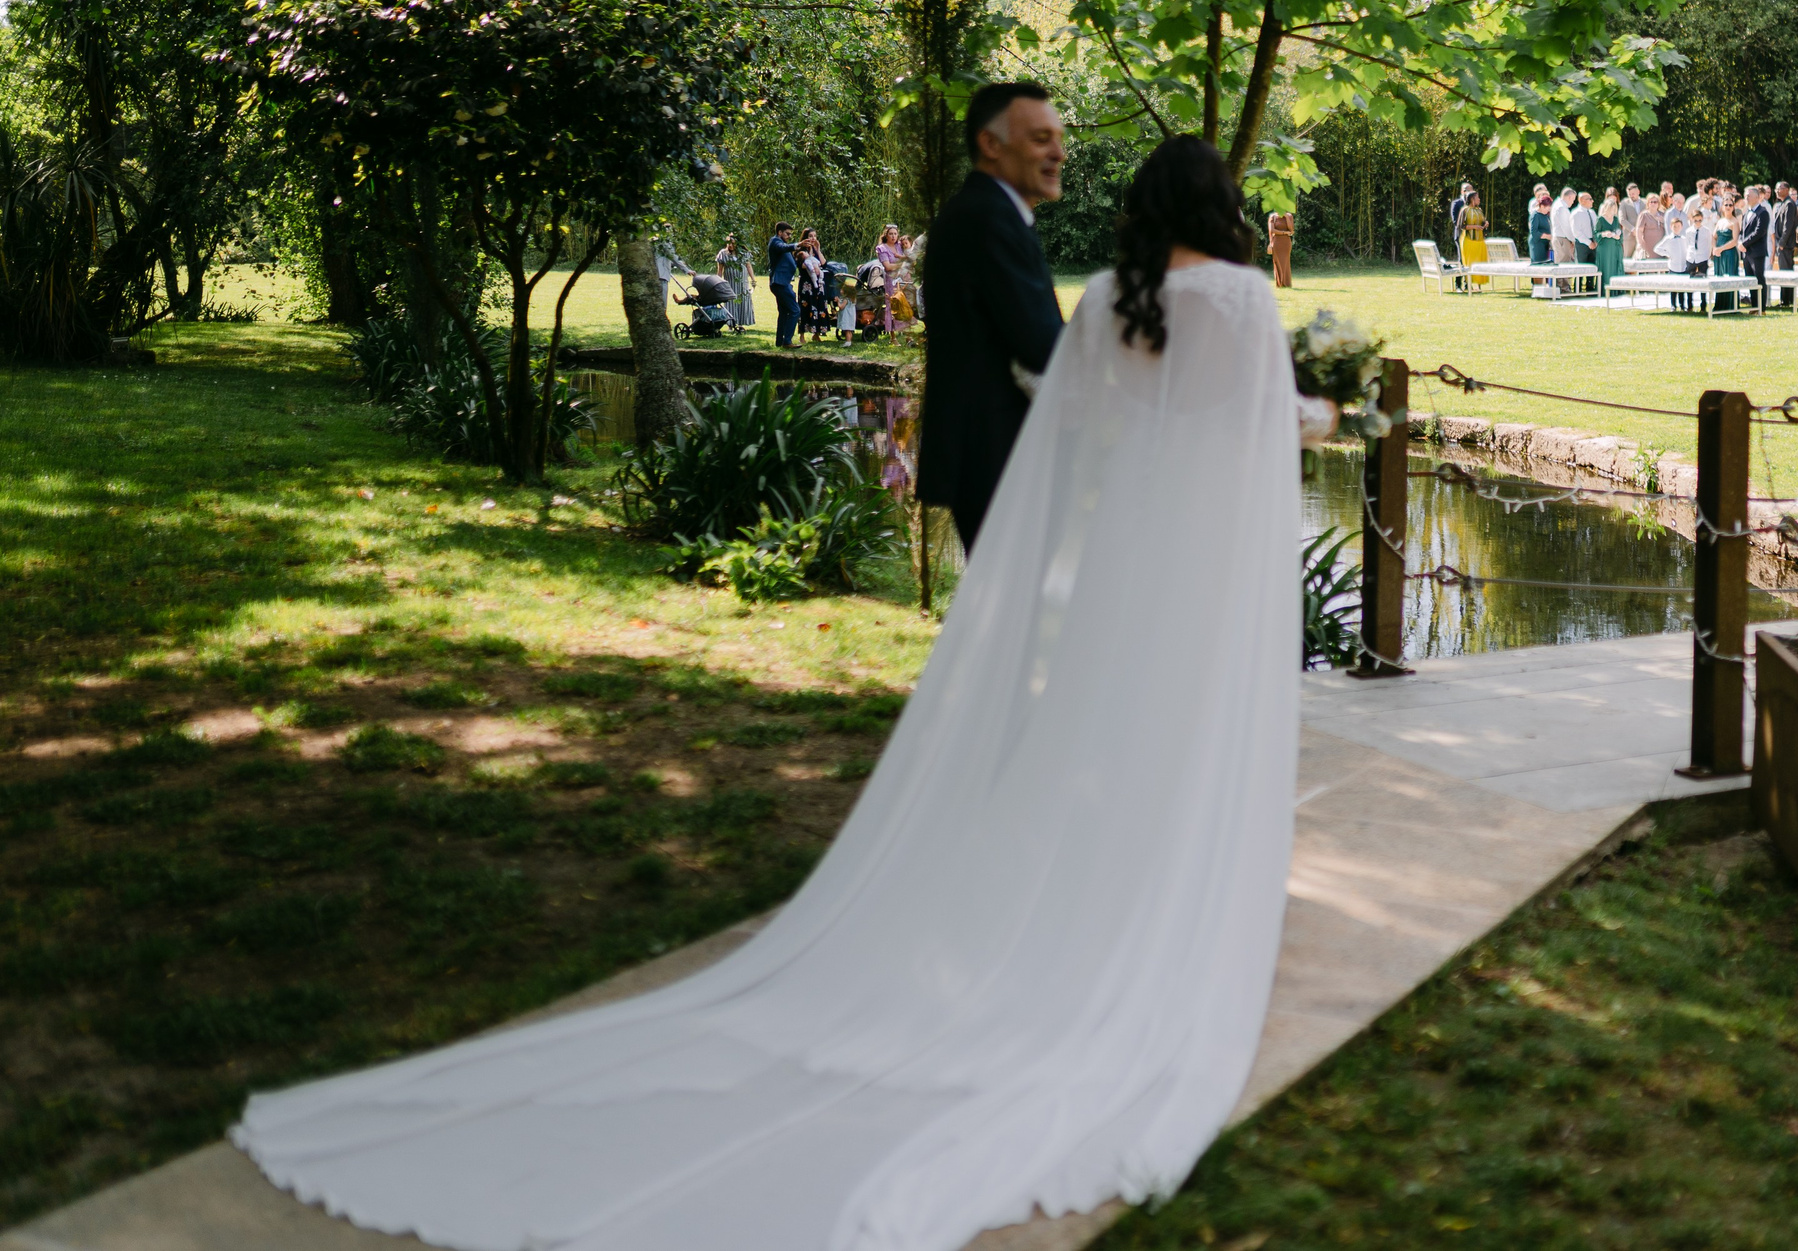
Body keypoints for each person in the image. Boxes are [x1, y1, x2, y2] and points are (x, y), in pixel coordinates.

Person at [234, 133, 1334, 1251]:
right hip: (1193, 563)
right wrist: (1328, 413)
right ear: (1222, 206)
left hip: (1118, 561)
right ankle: (1154, 915)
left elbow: (1083, 424)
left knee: (1096, 730)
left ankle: (1081, 906)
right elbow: (1261, 424)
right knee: (1182, 735)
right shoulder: (1244, 304)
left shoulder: (1107, 298)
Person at [917, 81, 1069, 553]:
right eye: (1041, 139)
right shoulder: (987, 218)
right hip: (995, 456)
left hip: (993, 453)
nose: (1059, 154)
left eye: (1060, 139)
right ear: (991, 144)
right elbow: (1043, 346)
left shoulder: (990, 211)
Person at [765, 220, 801, 347]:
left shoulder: (781, 243)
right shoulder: (775, 242)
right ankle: (787, 341)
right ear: (779, 232)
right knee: (795, 310)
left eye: (790, 234)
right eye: (787, 234)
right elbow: (783, 248)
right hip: (780, 283)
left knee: (784, 312)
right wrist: (796, 245)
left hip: (782, 282)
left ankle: (780, 341)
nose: (789, 236)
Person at [715, 234, 756, 329]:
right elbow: (720, 270)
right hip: (730, 283)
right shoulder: (723, 253)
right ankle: (731, 324)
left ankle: (741, 323)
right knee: (731, 302)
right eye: (729, 243)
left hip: (742, 282)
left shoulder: (744, 253)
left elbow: (748, 266)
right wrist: (718, 282)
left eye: (732, 244)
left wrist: (753, 279)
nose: (730, 246)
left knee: (743, 300)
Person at [1594, 188, 1625, 290]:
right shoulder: (1601, 220)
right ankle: (1604, 290)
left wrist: (1618, 236)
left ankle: (1616, 290)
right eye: (1611, 208)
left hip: (1615, 247)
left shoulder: (1616, 219)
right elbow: (1595, 234)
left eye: (1614, 208)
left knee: (1615, 267)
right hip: (1604, 249)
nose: (1612, 210)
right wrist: (1603, 234)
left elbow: (1620, 232)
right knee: (1606, 268)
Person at [1458, 189, 1489, 289]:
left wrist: (1485, 224)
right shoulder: (1465, 210)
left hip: (1480, 240)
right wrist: (1474, 227)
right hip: (1469, 240)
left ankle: (1479, 285)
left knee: (1480, 261)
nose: (1479, 199)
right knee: (1470, 262)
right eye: (1477, 197)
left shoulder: (1479, 210)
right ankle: (1468, 284)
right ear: (1472, 199)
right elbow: (1460, 225)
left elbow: (1482, 222)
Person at [1265, 209, 1295, 288]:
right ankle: (1280, 283)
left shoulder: (1289, 216)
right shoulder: (1273, 216)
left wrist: (1286, 217)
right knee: (1277, 262)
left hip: (1286, 243)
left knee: (1286, 263)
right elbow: (1272, 230)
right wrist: (1284, 232)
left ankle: (1287, 283)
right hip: (1276, 242)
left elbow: (1291, 230)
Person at [1527, 186, 1553, 266]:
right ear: (1541, 206)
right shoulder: (1535, 215)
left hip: (1545, 244)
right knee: (1538, 267)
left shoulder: (1546, 215)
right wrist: (1547, 236)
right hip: (1537, 244)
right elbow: (1534, 232)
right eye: (1547, 208)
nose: (1548, 210)